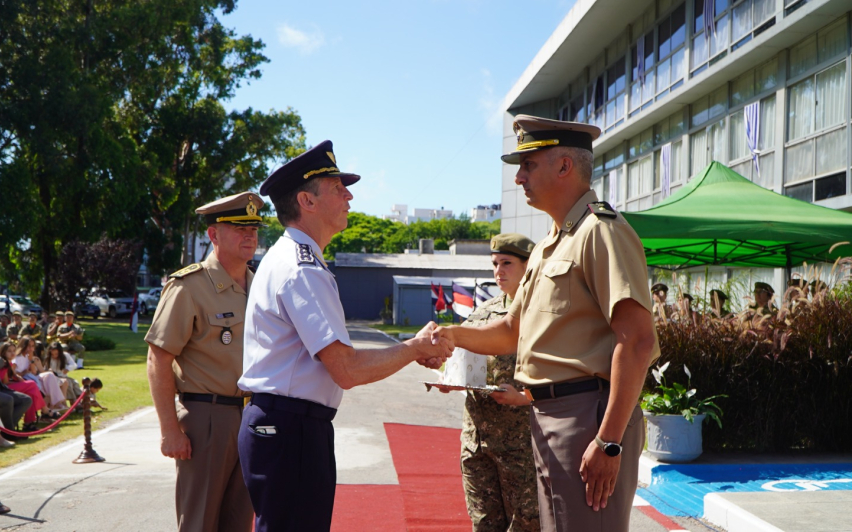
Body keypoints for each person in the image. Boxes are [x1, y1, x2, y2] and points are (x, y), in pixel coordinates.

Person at [432, 116, 659, 532]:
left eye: (528, 164)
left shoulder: (601, 231)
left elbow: (639, 341)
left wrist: (608, 441)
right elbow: (509, 331)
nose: (519, 178)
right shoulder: (550, 245)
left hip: (587, 417)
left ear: (564, 167)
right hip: (548, 415)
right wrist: (448, 335)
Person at [237, 141, 450, 532]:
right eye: (337, 187)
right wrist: (415, 348)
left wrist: (411, 350)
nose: (349, 195)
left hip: (287, 426)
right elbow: (346, 370)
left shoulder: (295, 259)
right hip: (290, 429)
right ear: (307, 200)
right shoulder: (302, 269)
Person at [145, 191, 265, 532]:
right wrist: (170, 429)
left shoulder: (260, 287)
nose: (250, 236)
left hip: (251, 416)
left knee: (239, 522)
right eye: (239, 228)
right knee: (199, 522)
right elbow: (158, 357)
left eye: (254, 229)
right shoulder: (189, 286)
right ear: (213, 235)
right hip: (206, 420)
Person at [454, 233, 540, 532]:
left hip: (521, 447)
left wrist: (525, 396)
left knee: (526, 525)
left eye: (507, 263)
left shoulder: (545, 315)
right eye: (494, 264)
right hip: (478, 443)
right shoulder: (482, 313)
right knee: (484, 525)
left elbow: (566, 378)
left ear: (529, 266)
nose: (498, 271)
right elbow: (461, 361)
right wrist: (449, 379)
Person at [0, 343, 46, 432]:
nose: (12, 353)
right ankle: (44, 410)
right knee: (31, 384)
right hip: (3, 389)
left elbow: (14, 376)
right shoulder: (3, 363)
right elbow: (5, 383)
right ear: (3, 352)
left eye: (14, 351)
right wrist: (18, 380)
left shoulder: (9, 362)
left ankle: (28, 423)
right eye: (9, 351)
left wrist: (18, 378)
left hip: (8, 387)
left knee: (30, 393)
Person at [14, 336, 67, 414]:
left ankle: (57, 403)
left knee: (49, 375)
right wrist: (24, 372)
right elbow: (13, 373)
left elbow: (34, 371)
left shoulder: (27, 356)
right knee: (47, 381)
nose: (31, 349)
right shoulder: (17, 358)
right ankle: (56, 405)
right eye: (29, 346)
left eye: (32, 346)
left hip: (31, 376)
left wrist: (31, 359)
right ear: (24, 346)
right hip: (23, 379)